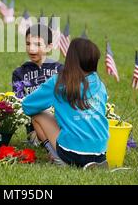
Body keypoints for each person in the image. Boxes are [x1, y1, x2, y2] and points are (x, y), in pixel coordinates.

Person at [22, 38, 109, 169]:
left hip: (72, 152)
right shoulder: (99, 84)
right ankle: (91, 161)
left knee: (38, 116)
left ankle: (59, 158)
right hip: (101, 153)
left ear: (70, 59)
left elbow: (28, 106)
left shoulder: (59, 81)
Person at [12, 23, 63, 146]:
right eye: (28, 44)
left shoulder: (61, 70)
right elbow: (18, 102)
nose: (31, 49)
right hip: (34, 125)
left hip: (59, 126)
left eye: (38, 44)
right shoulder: (19, 72)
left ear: (49, 47)